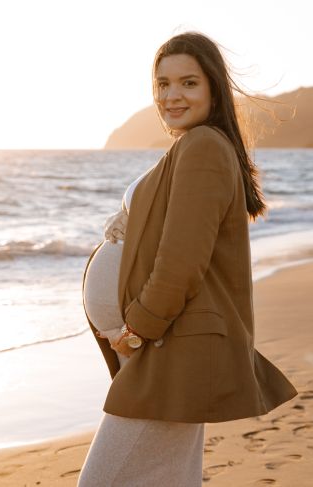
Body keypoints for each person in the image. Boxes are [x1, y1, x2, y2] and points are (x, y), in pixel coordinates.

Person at [78, 32, 298, 487]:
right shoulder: (198, 145)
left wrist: (136, 329)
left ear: (213, 87)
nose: (171, 96)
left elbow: (182, 261)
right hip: (168, 344)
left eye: (188, 83)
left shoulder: (202, 146)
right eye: (162, 84)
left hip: (166, 345)